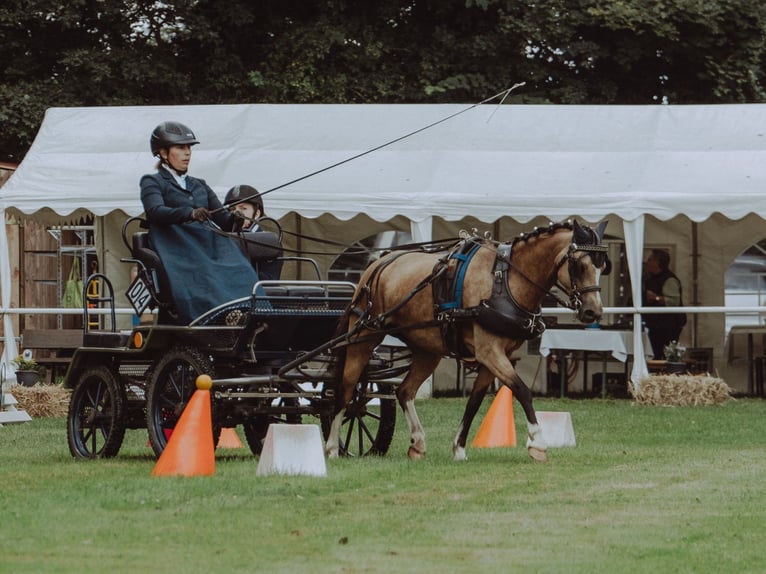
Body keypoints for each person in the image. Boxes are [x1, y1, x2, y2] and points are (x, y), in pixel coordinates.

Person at [140, 121, 256, 324]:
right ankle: (213, 317)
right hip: (176, 245)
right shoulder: (152, 182)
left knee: (239, 265)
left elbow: (224, 221)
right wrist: (190, 213)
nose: (187, 153)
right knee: (206, 271)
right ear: (163, 153)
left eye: (189, 148)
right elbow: (155, 211)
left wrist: (234, 219)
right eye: (181, 148)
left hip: (206, 242)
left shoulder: (199, 185)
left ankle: (253, 310)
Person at [225, 184, 283, 280]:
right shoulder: (225, 237)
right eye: (232, 209)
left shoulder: (267, 241)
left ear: (256, 214)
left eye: (243, 208)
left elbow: (269, 279)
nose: (236, 213)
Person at [643, 249, 686, 359]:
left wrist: (655, 297)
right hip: (655, 325)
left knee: (665, 354)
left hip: (668, 326)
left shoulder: (669, 280)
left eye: (650, 260)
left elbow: (673, 302)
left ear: (657, 263)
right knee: (656, 353)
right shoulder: (650, 278)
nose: (647, 262)